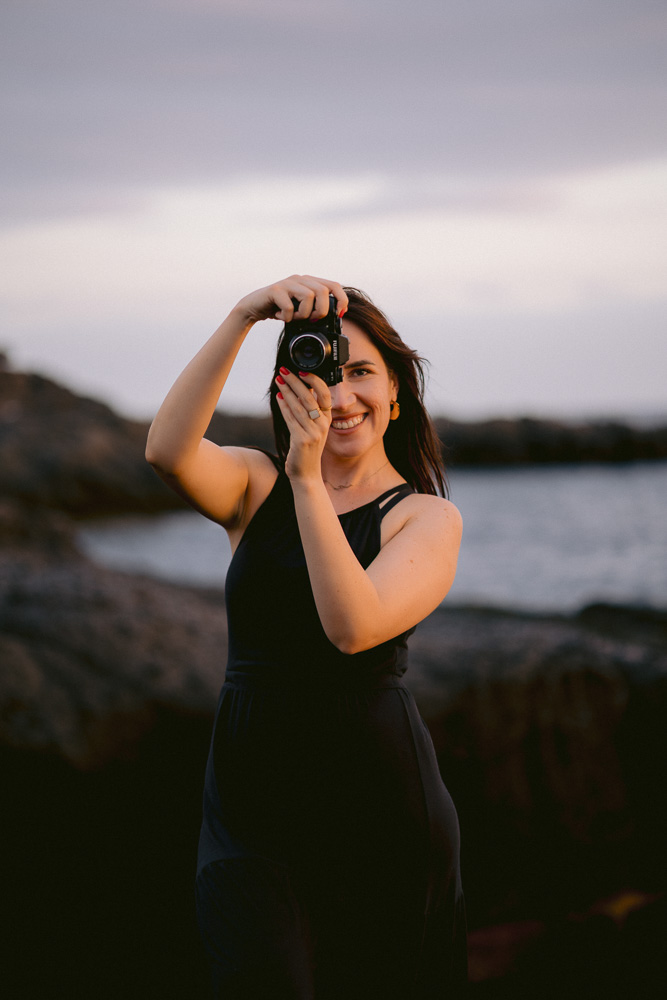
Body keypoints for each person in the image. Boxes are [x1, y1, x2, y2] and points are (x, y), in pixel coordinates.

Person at [145, 275, 467, 999]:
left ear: (396, 393)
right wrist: (242, 315)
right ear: (291, 384)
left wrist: (309, 480)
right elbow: (167, 452)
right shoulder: (255, 484)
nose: (341, 394)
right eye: (323, 369)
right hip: (248, 812)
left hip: (377, 810)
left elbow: (350, 629)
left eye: (361, 373)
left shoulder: (422, 518)